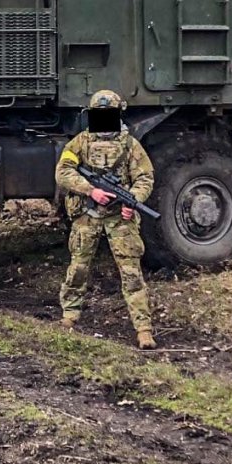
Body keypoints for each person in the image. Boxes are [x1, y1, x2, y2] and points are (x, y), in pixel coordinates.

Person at [54, 90, 158, 349]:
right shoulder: (80, 142)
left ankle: (143, 329)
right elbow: (63, 171)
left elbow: (145, 177)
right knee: (78, 267)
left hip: (118, 218)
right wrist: (91, 190)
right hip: (88, 214)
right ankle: (69, 316)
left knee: (131, 273)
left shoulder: (130, 145)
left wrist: (132, 201)